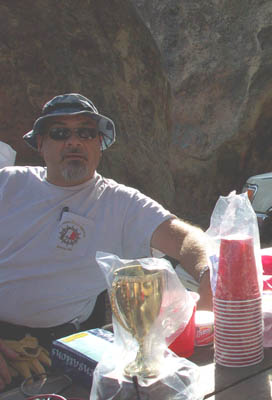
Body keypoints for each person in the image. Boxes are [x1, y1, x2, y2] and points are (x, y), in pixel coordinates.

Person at [0, 93, 212, 391]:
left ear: (99, 143)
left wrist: (209, 275)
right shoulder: (8, 184)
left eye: (86, 133)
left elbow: (187, 237)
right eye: (60, 133)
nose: (74, 142)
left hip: (61, 353)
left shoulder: (120, 204)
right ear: (40, 144)